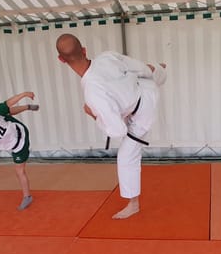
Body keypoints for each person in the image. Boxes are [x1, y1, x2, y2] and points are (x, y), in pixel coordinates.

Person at [56, 33, 167, 219]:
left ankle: (133, 205)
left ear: (61, 60)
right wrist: (152, 70)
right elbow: (136, 66)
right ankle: (158, 70)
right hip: (145, 87)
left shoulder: (93, 92)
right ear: (84, 50)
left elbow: (118, 130)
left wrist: (93, 115)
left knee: (125, 157)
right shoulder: (107, 56)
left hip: (142, 112)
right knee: (146, 69)